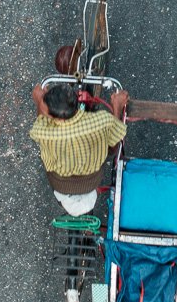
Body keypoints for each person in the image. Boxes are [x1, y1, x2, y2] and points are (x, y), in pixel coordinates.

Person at [29, 82, 128, 215]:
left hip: (60, 184)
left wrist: (38, 102)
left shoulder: (42, 132)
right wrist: (117, 105)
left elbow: (40, 120)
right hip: (92, 180)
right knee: (111, 144)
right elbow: (116, 132)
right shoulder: (103, 120)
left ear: (51, 116)